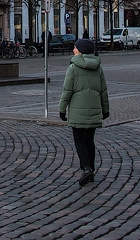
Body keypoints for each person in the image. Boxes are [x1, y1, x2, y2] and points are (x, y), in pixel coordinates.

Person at [58, 38, 109, 187]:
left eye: (75, 48)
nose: (73, 50)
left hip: (77, 110)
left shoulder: (73, 67)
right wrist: (105, 109)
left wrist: (62, 109)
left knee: (79, 140)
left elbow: (67, 90)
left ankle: (86, 168)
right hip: (94, 109)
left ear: (80, 51)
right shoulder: (98, 67)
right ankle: (91, 169)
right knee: (89, 141)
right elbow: (103, 91)